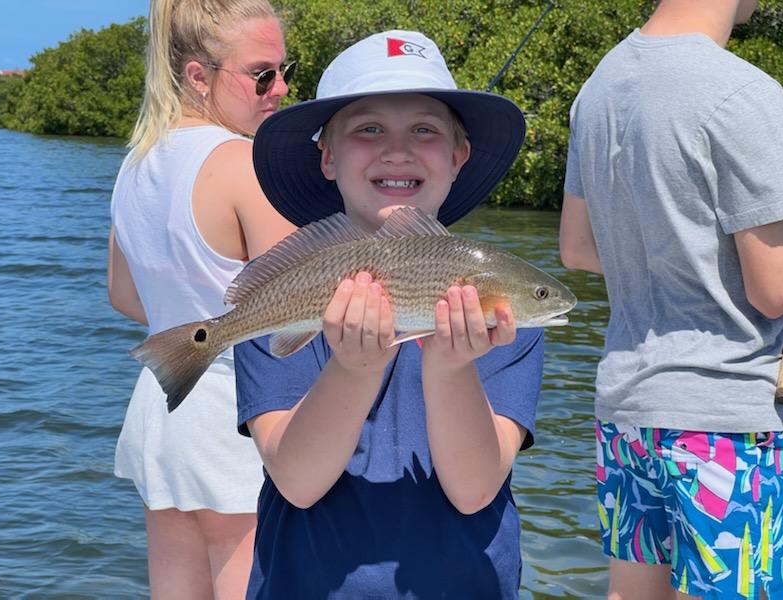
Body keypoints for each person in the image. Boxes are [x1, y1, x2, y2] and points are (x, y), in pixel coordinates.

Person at [232, 30, 543, 598]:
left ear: (458, 157)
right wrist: (352, 369)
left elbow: (474, 489)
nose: (397, 149)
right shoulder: (283, 295)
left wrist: (452, 367)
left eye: (425, 129)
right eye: (368, 129)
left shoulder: (503, 311)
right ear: (326, 157)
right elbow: (297, 482)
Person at [559, 1, 783, 598]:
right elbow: (774, 289)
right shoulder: (746, 93)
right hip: (728, 419)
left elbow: (577, 248)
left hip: (627, 414)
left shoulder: (599, 86)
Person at [107, 0, 296, 597]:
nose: (282, 89)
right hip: (241, 421)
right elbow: (303, 304)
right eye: (263, 74)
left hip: (163, 412)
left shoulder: (135, 163)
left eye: (286, 69)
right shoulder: (245, 163)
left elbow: (122, 294)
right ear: (197, 75)